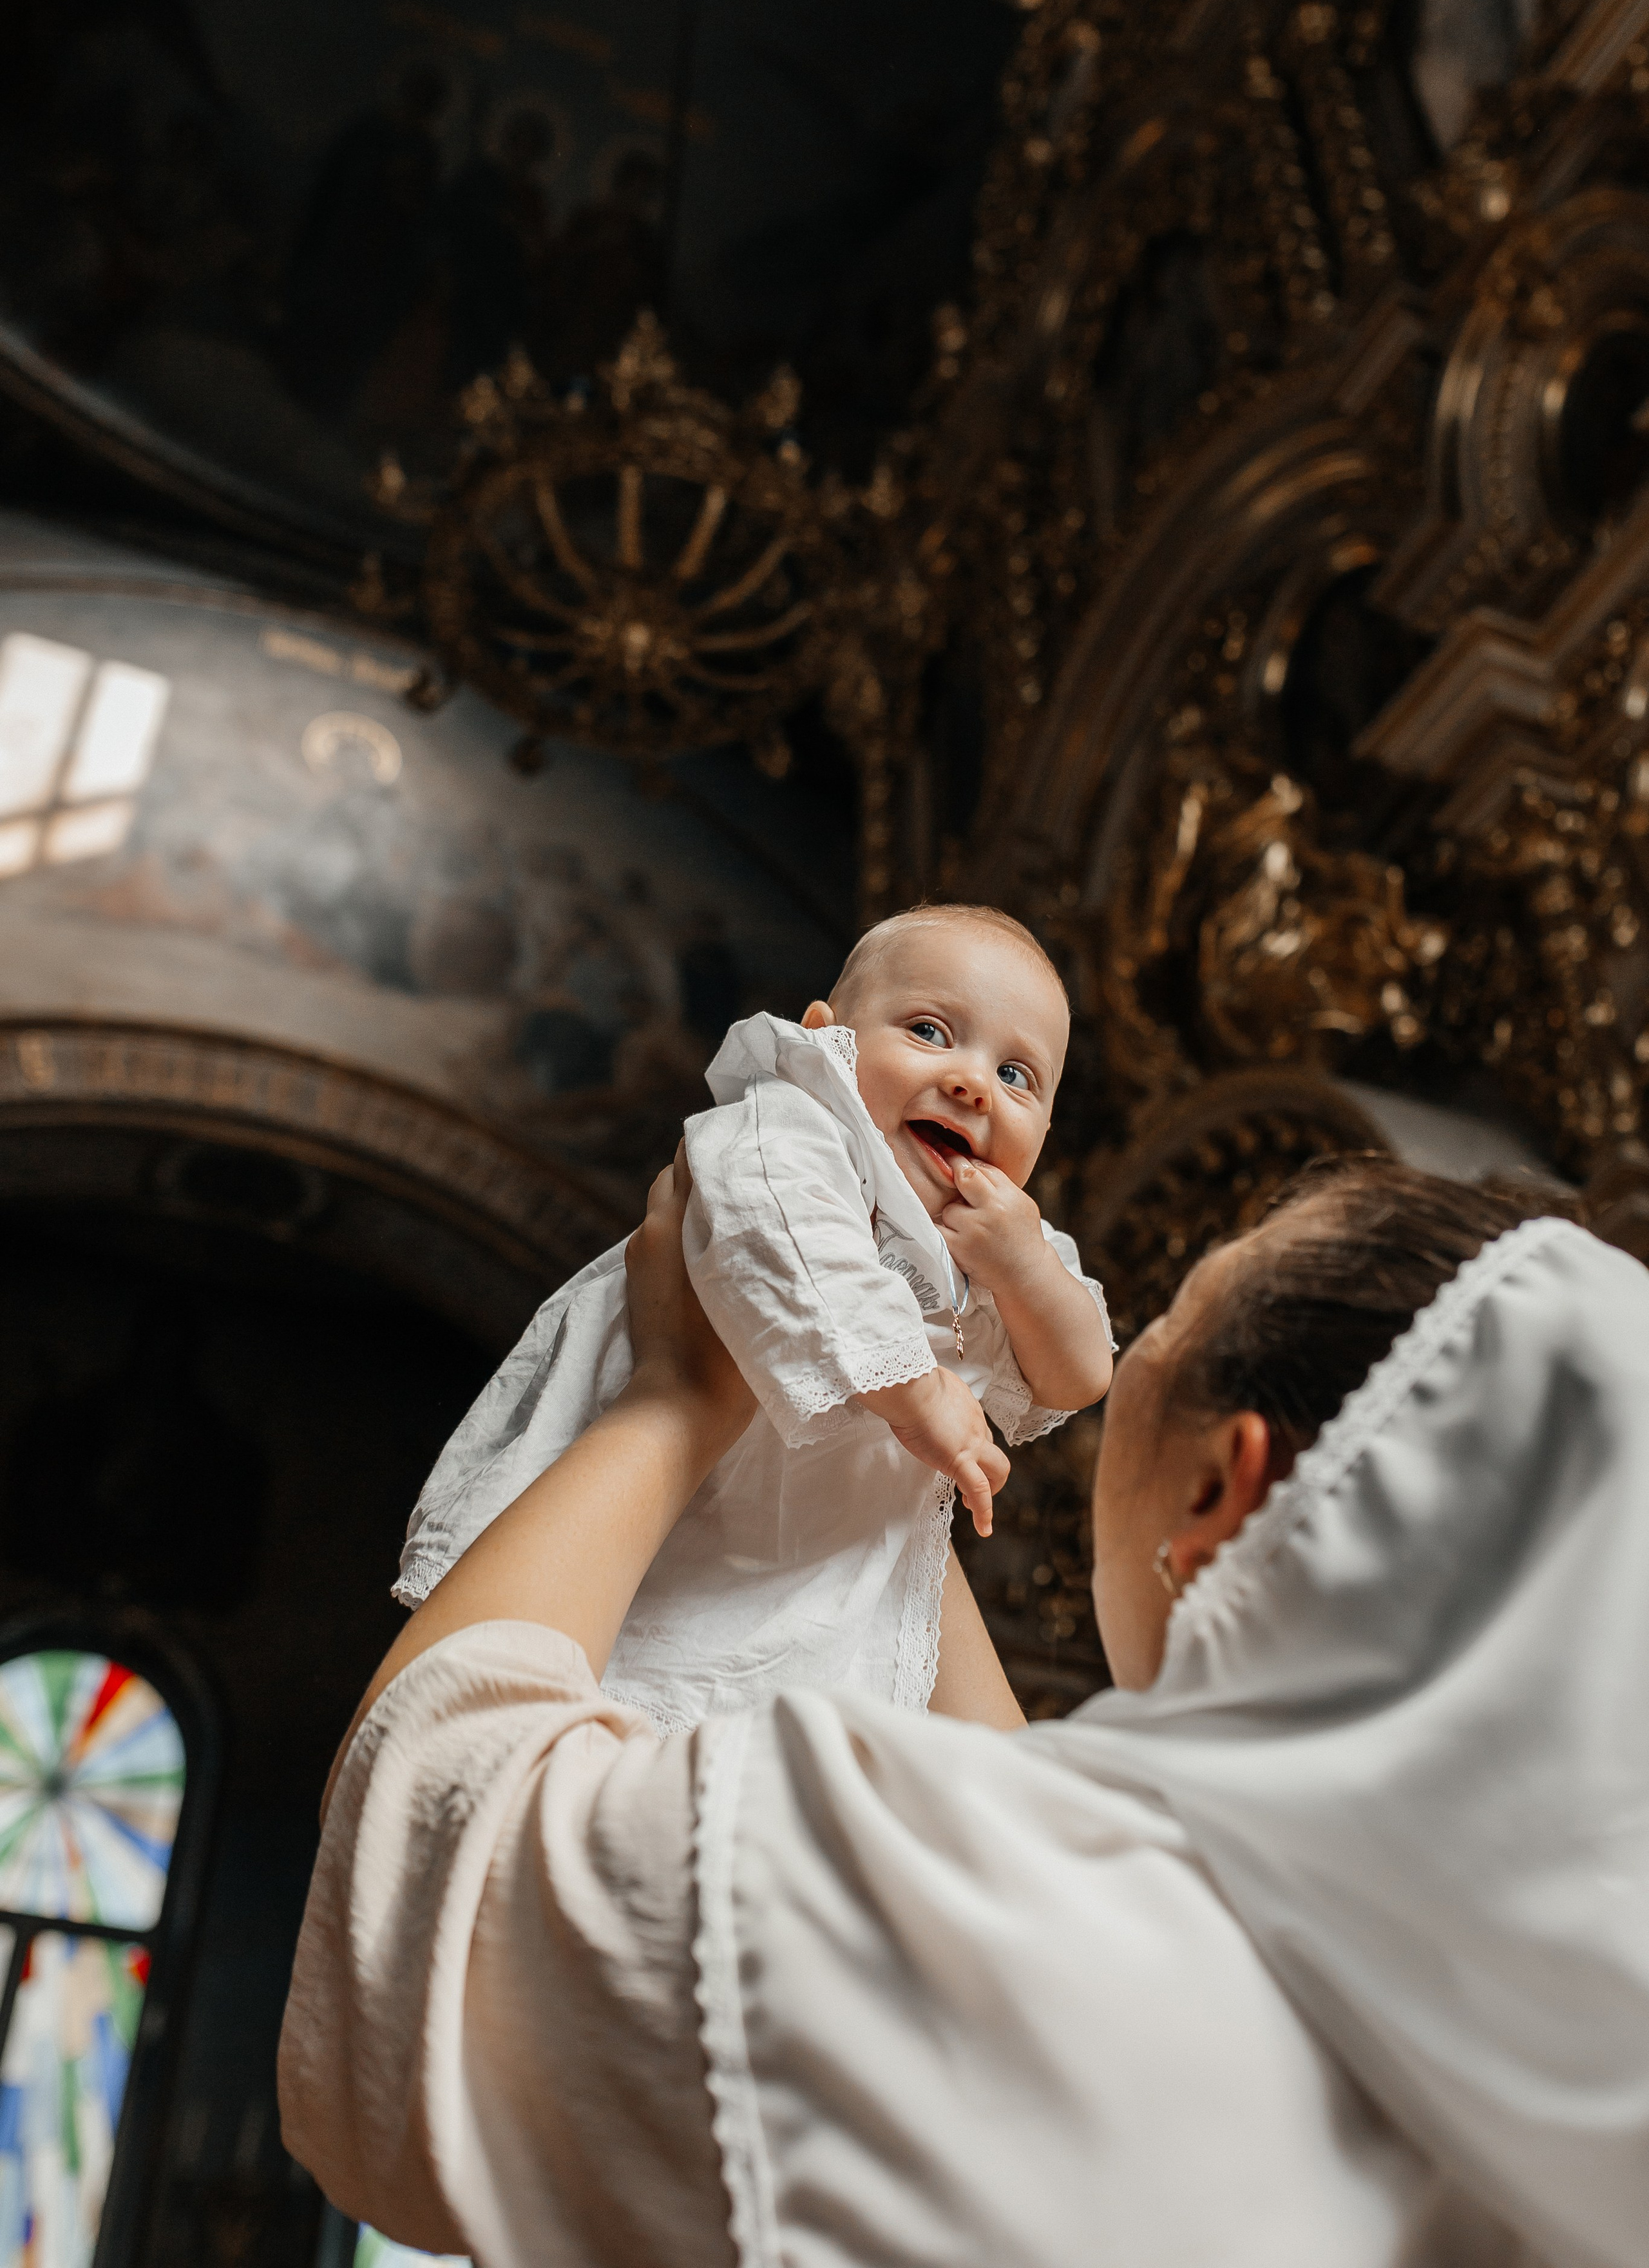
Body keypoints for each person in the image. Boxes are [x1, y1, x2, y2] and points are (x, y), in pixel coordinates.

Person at [280, 1155, 1649, 2268]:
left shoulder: (975, 1922)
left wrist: (679, 1397)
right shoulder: (1563, 2046)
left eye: (1160, 1330)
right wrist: (861, 1496)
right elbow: (1022, 1789)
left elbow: (421, 1882)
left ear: (1224, 1492)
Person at [394, 905, 1112, 1731]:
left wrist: (1027, 1271)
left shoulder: (994, 1231)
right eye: (928, 1030)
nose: (972, 1082)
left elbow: (1080, 1373)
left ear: (1046, 1131)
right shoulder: (794, 1127)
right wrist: (911, 1386)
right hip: (670, 1518)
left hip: (805, 1564)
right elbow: (781, 1240)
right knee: (598, 1688)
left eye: (1017, 1077)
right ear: (829, 1038)